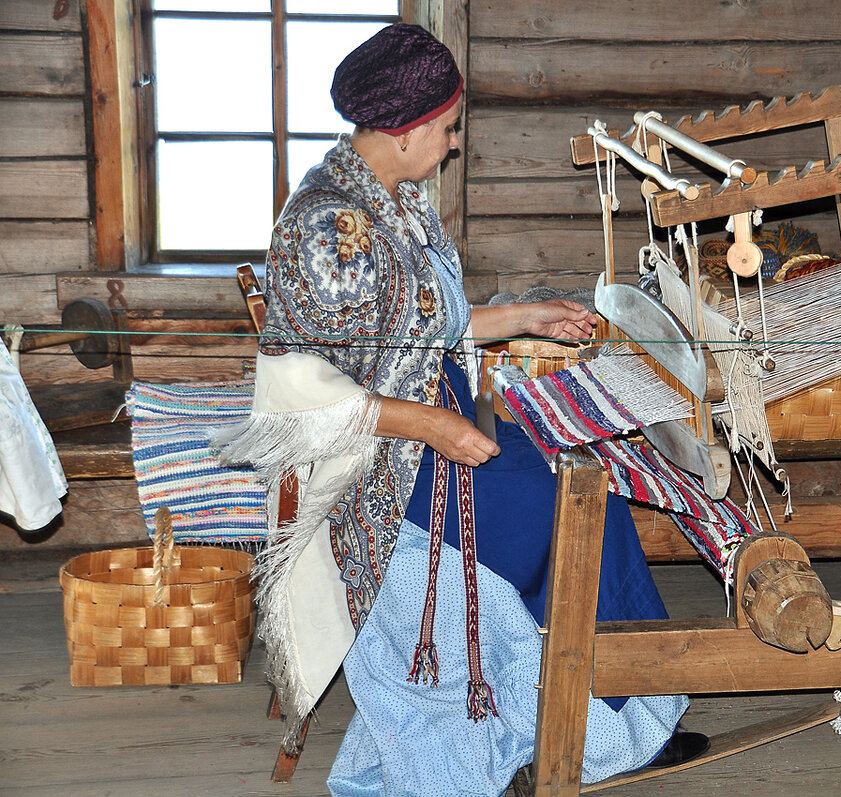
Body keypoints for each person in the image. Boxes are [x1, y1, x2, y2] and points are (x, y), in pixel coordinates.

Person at [216, 23, 706, 796]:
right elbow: (303, 393)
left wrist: (523, 316)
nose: (451, 145)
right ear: (407, 130)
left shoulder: (391, 198)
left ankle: (610, 713)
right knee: (576, 507)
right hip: (379, 464)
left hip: (431, 423)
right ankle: (600, 725)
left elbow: (417, 322)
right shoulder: (325, 228)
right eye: (446, 130)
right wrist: (436, 425)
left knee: (589, 483)